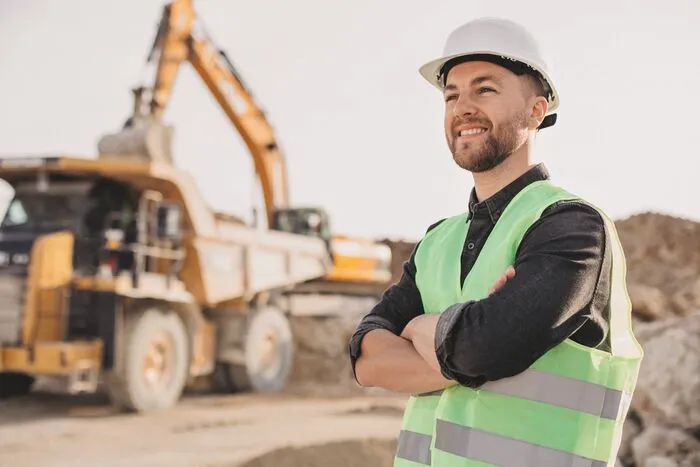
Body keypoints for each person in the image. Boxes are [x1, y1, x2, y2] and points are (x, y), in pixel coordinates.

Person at [348, 17, 643, 467]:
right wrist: (468, 345)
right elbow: (367, 361)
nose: (463, 107)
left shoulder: (573, 227)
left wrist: (420, 328)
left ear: (536, 110)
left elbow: (485, 348)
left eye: (485, 89)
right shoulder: (436, 242)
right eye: (452, 95)